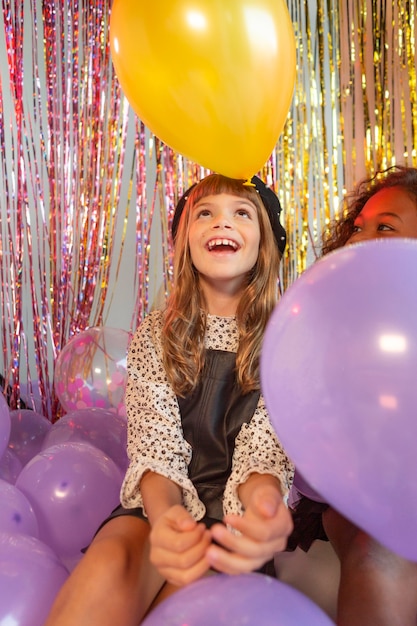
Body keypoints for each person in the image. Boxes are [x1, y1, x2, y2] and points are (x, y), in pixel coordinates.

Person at [45, 173, 294, 626]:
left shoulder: (288, 341)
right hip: (157, 499)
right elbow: (155, 451)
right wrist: (166, 523)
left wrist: (264, 508)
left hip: (233, 515)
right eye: (206, 213)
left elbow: (264, 455)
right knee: (107, 569)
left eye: (241, 213)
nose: (222, 223)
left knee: (192, 601)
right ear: (185, 241)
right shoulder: (157, 335)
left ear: (265, 243)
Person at [289, 165, 417, 626]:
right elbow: (311, 467)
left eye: (385, 227)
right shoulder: (323, 329)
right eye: (357, 228)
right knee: (375, 551)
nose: (358, 241)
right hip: (349, 501)